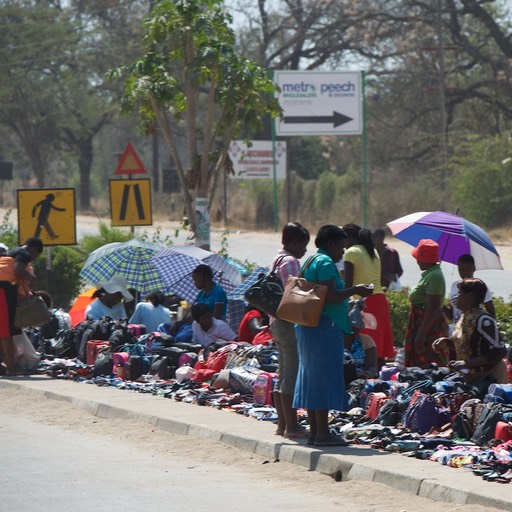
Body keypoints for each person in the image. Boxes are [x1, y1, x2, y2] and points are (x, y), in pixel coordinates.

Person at [293, 225, 373, 447]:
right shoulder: (326, 262)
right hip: (323, 327)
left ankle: (315, 432)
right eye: (341, 245)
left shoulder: (311, 260)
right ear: (330, 244)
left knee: (311, 378)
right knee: (323, 379)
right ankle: (323, 433)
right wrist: (356, 290)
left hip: (308, 327)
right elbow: (330, 296)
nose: (343, 251)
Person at [269, 221, 310, 439]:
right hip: (286, 321)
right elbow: (294, 294)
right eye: (303, 245)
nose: (305, 250)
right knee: (291, 374)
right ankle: (292, 426)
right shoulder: (291, 262)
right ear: (293, 242)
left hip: (275, 321)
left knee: (283, 372)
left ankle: (282, 424)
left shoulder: (277, 259)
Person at [433, 278, 507, 385]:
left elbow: (500, 351)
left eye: (460, 293)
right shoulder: (464, 317)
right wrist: (447, 343)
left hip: (491, 377)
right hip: (472, 376)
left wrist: (466, 363)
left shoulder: (484, 320)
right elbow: (469, 347)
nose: (456, 297)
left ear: (470, 297)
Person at [343, 223, 394, 369]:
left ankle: (364, 387)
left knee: (363, 349)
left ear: (349, 238)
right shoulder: (372, 251)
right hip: (380, 300)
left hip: (364, 303)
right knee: (378, 351)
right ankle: (379, 385)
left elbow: (348, 286)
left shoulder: (351, 252)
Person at [0, 237, 43, 375]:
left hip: (4, 289)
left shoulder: (13, 252)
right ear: (34, 250)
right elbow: (18, 270)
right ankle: (12, 368)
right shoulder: (24, 254)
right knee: (5, 331)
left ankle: (7, 364)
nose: (33, 258)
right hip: (3, 291)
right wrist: (31, 277)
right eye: (36, 255)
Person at [404, 239, 450, 368]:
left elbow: (433, 306)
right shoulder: (430, 274)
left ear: (424, 259)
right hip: (423, 322)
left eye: (418, 257)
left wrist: (421, 334)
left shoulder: (434, 276)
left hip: (429, 326)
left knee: (429, 361)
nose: (417, 260)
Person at [444, 254, 495, 334]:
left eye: (468, 269)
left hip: (472, 331)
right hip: (456, 331)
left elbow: (492, 313)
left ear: (474, 268)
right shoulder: (454, 286)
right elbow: (453, 315)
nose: (465, 273)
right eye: (461, 270)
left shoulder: (479, 287)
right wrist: (441, 306)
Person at [344, 304, 378, 379]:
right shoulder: (335, 341)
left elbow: (372, 366)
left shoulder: (366, 340)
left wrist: (368, 374)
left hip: (360, 381)